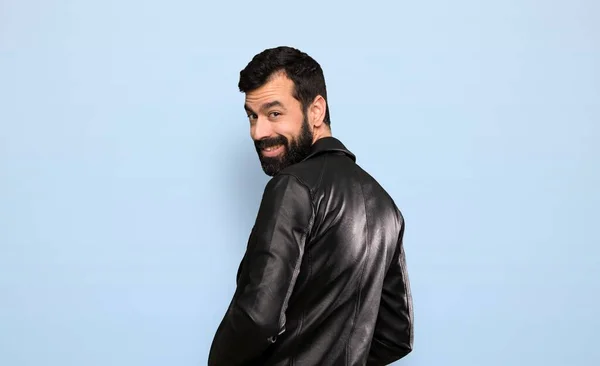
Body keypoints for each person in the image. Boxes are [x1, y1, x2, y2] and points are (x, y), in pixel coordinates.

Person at [208, 46, 413, 366]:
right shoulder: (386, 207)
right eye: (252, 116)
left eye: (274, 113)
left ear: (316, 110)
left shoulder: (293, 186)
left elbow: (258, 317)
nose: (258, 132)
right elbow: (395, 337)